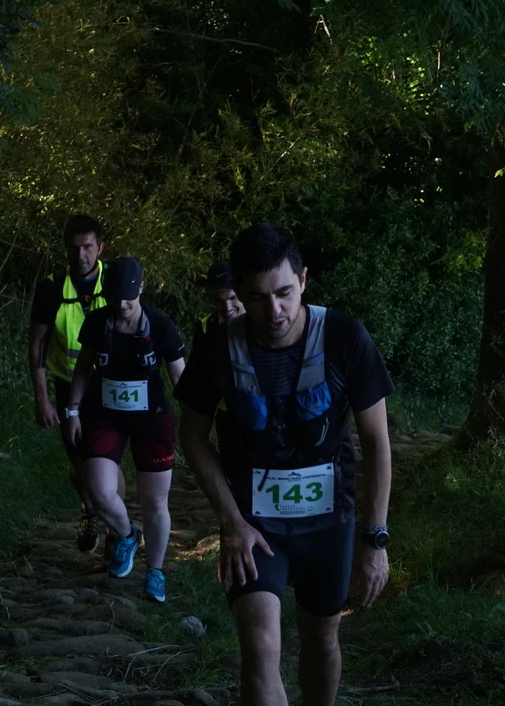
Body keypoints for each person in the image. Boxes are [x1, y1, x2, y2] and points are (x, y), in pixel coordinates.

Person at [176, 223, 394, 706]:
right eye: (256, 298)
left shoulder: (345, 338)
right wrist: (231, 520)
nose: (273, 311)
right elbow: (191, 435)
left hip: (328, 523)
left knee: (321, 639)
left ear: (304, 279)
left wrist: (375, 538)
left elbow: (377, 442)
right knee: (259, 648)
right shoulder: (217, 349)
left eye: (283, 293)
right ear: (239, 293)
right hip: (255, 527)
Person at [65, 257, 186, 602]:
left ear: (142, 288)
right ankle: (127, 534)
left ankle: (155, 572)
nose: (121, 304)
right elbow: (83, 369)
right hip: (105, 415)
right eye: (115, 297)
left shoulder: (161, 327)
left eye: (128, 297)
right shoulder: (97, 323)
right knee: (98, 488)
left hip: (153, 418)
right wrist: (72, 411)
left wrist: (196, 423)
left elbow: (181, 379)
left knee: (155, 500)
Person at [28, 214, 124, 555]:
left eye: (87, 247)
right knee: (79, 460)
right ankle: (89, 511)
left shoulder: (117, 279)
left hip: (110, 385)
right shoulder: (51, 288)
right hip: (68, 385)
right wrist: (42, 399)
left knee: (109, 459)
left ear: (100, 248)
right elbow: (37, 346)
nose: (81, 255)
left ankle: (117, 532)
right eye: (74, 248)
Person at [192, 260, 245, 355]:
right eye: (219, 301)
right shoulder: (205, 328)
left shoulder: (263, 321)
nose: (227, 308)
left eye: (232, 298)